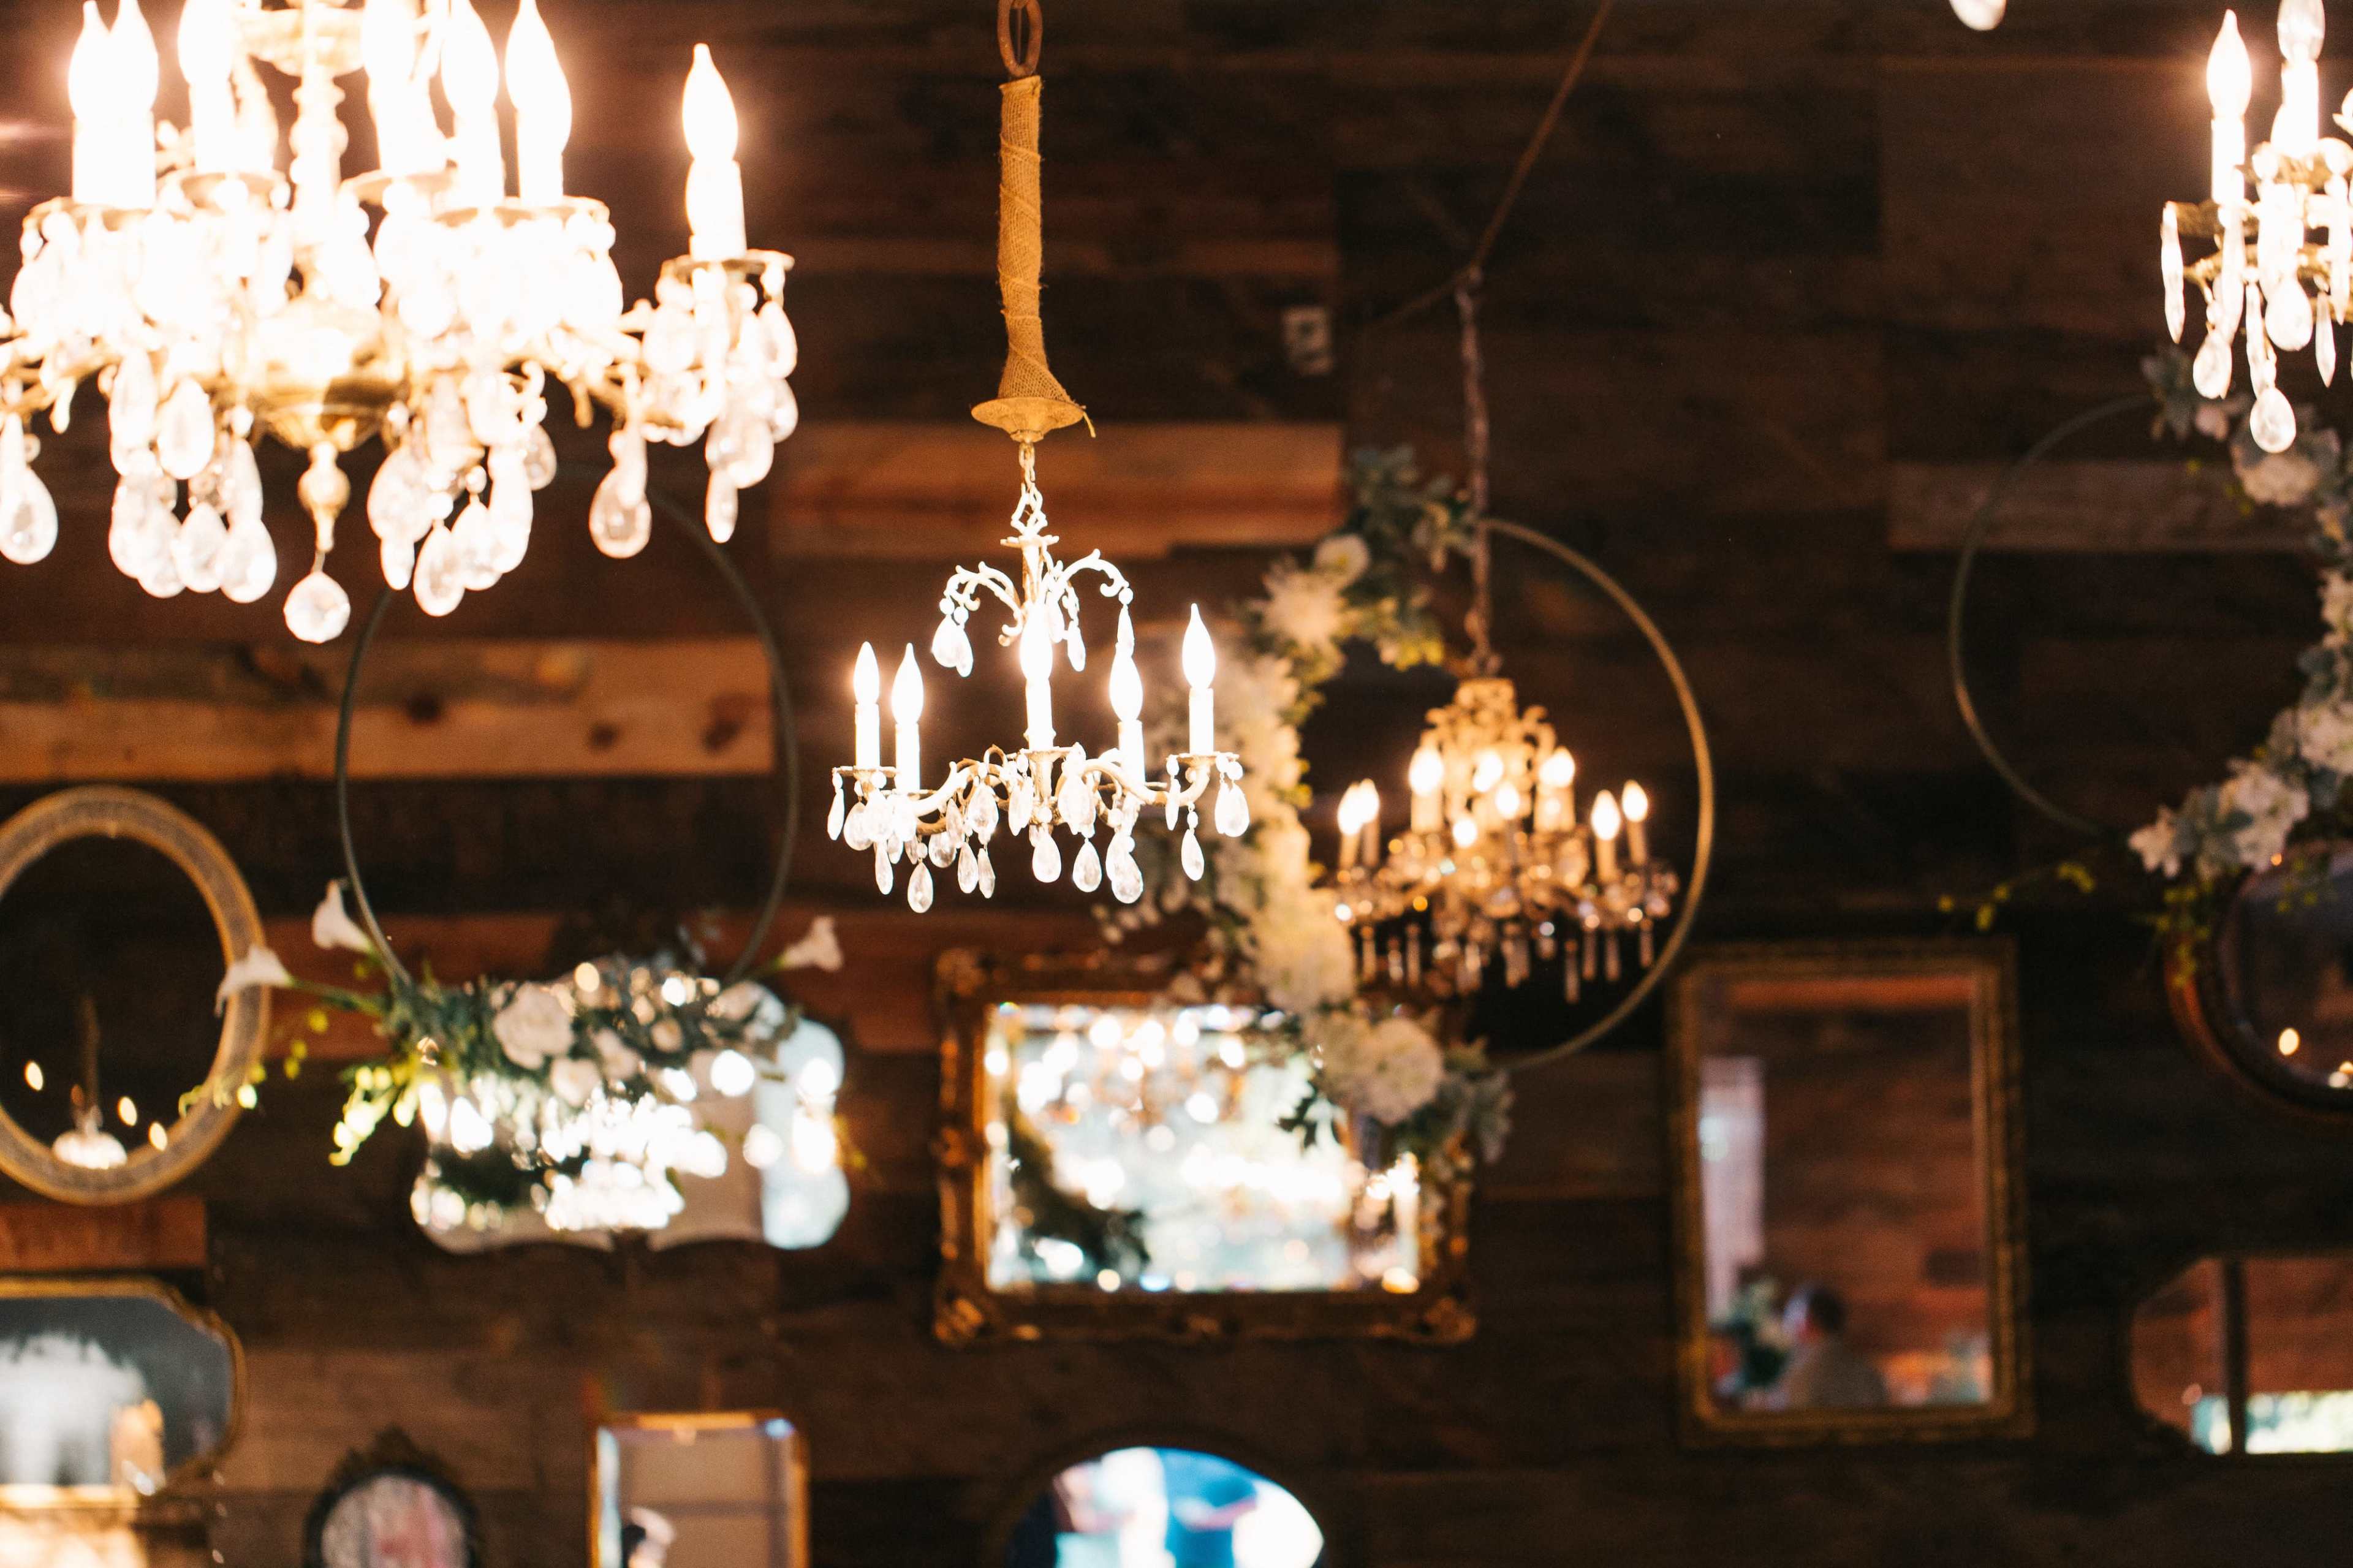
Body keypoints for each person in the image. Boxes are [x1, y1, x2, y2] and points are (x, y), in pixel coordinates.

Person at [1769, 1283, 1888, 1410]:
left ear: (1805, 1321)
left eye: (1790, 1314)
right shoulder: (1868, 1371)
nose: (1786, 1323)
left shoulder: (1802, 1375)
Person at [1159, 1449, 1260, 1568]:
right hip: (1180, 1548)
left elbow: (1251, 1501)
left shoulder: (1226, 1462)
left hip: (1215, 1554)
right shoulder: (1172, 1450)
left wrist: (1213, 1520)